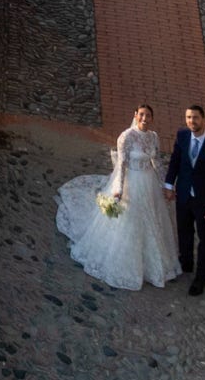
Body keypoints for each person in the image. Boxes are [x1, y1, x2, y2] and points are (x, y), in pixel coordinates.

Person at [54, 106, 180, 290]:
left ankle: (153, 264)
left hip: (149, 183)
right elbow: (121, 164)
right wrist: (118, 190)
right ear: (135, 115)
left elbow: (157, 162)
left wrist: (166, 185)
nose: (145, 118)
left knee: (152, 220)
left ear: (152, 118)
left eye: (148, 115)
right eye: (142, 114)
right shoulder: (126, 136)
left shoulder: (153, 136)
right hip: (133, 182)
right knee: (130, 222)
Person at [163, 103, 205, 296]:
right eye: (189, 117)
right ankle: (186, 262)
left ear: (203, 119)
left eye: (195, 117)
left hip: (204, 202)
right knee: (184, 231)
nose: (192, 121)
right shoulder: (182, 137)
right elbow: (175, 161)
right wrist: (169, 185)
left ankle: (201, 277)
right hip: (183, 195)